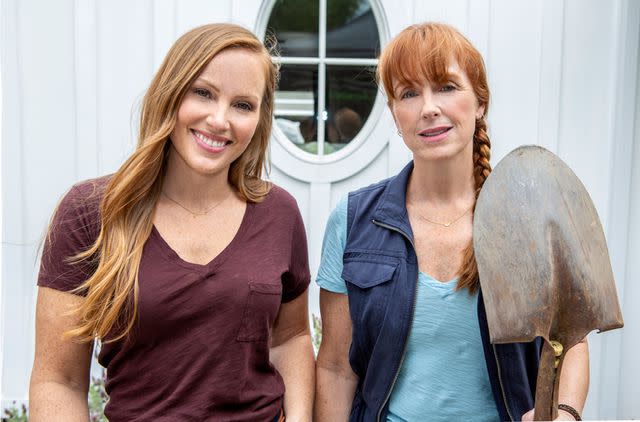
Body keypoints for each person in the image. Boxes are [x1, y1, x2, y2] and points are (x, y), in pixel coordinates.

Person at [30, 23, 314, 422]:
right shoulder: (91, 212)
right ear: (170, 92)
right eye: (203, 93)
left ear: (259, 119)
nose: (220, 120)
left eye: (243, 105)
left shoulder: (278, 212)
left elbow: (291, 337)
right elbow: (58, 382)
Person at [314, 22, 588, 422]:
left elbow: (572, 342)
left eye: (446, 86)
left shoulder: (529, 220)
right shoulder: (354, 220)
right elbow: (337, 367)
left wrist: (565, 412)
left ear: (480, 102)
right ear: (394, 114)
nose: (428, 108)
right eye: (409, 93)